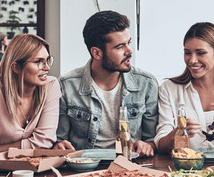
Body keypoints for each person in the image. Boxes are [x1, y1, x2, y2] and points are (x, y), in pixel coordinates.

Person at [54, 10, 158, 157]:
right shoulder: (66, 85)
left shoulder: (147, 84)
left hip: (131, 165)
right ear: (97, 53)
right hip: (84, 166)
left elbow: (152, 138)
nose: (129, 51)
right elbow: (59, 139)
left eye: (129, 43)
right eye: (120, 47)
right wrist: (58, 145)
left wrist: (148, 145)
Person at [154, 22, 214, 152]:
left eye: (201, 53)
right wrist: (178, 134)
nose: (192, 60)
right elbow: (161, 145)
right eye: (187, 52)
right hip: (183, 168)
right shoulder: (169, 89)